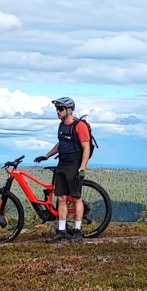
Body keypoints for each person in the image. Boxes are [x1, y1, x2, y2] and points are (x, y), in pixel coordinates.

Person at [34, 97, 91, 242]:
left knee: (76, 198)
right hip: (62, 163)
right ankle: (62, 230)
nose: (58, 112)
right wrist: (47, 156)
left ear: (69, 110)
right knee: (61, 198)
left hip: (74, 164)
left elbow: (86, 147)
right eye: (57, 109)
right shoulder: (61, 126)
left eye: (60, 109)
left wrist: (82, 167)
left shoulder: (79, 126)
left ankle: (78, 231)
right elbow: (61, 144)